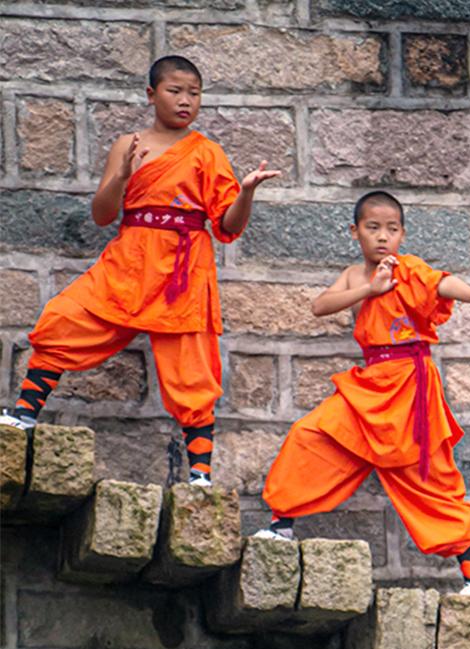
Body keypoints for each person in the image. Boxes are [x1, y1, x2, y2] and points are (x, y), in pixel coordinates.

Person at [1, 56, 279, 487]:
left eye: (194, 93)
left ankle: (200, 475)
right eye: (175, 91)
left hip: (184, 271)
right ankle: (24, 415)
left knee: (193, 371)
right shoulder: (128, 145)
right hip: (130, 259)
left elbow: (228, 226)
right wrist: (122, 177)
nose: (186, 101)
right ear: (151, 95)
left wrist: (245, 193)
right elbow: (101, 214)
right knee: (64, 318)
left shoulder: (207, 152)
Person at [256, 190, 470, 595]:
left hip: (410, 386)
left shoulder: (408, 269)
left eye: (392, 229)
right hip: (369, 385)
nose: (382, 237)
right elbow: (320, 306)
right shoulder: (356, 276)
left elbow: (442, 284)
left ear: (402, 234)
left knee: (434, 477)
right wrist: (369, 291)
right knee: (311, 435)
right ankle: (281, 524)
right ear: (355, 231)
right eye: (373, 228)